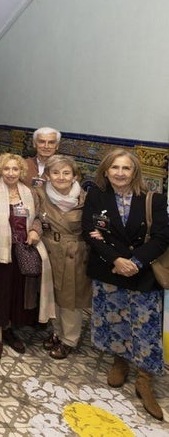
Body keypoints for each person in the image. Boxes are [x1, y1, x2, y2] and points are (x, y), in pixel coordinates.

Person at [82, 150, 169, 420]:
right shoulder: (97, 196)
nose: (120, 173)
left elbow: (162, 236)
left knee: (146, 327)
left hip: (142, 272)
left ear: (135, 172)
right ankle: (119, 360)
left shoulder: (153, 199)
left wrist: (135, 261)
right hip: (110, 269)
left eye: (126, 168)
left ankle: (145, 378)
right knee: (114, 320)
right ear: (106, 171)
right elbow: (90, 232)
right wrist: (116, 260)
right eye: (115, 167)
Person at [0, 153, 53, 366]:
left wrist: (35, 231)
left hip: (22, 252)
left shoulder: (30, 193)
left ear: (21, 171)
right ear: (0, 170)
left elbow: (37, 218)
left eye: (15, 169)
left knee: (15, 293)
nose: (10, 173)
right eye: (6, 169)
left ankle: (9, 330)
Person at [35, 155, 90, 360]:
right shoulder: (40, 195)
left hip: (74, 253)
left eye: (66, 173)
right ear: (47, 175)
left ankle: (70, 339)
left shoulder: (84, 199)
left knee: (70, 297)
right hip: (48, 250)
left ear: (74, 176)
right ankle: (57, 332)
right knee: (53, 295)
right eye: (55, 173)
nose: (61, 177)